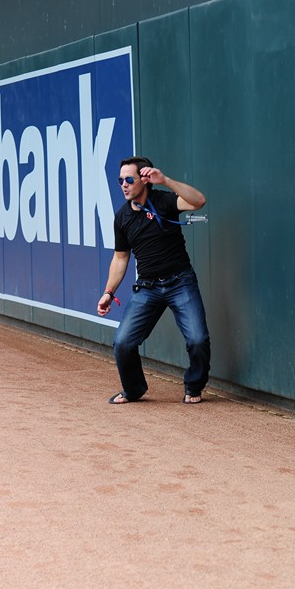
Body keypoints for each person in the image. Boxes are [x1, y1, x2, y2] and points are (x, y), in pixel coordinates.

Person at [97, 156, 210, 404]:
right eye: (120, 180)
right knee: (123, 343)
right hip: (147, 287)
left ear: (144, 180)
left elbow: (198, 201)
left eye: (129, 179)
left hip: (180, 282)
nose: (124, 185)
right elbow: (120, 258)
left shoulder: (164, 201)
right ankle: (133, 389)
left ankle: (194, 385)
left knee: (198, 340)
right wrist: (108, 291)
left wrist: (166, 181)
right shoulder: (122, 218)